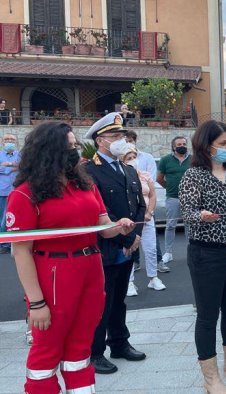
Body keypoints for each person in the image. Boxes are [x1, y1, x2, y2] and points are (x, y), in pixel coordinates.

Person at [7, 122, 135, 394]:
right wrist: (37, 302)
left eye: (75, 145)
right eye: (69, 146)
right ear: (49, 150)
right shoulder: (25, 193)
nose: (75, 151)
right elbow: (21, 251)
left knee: (81, 345)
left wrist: (119, 225)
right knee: (47, 349)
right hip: (54, 273)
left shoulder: (85, 184)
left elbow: (103, 224)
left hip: (91, 267)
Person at [179, 120, 226, 392]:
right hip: (206, 253)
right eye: (222, 144)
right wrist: (200, 215)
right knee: (208, 314)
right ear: (206, 145)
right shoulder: (194, 176)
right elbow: (186, 212)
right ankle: (210, 376)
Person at [83, 113, 147, 375]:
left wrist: (134, 237)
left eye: (123, 136)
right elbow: (98, 210)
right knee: (102, 301)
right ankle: (95, 351)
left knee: (119, 299)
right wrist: (124, 237)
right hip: (106, 246)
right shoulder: (88, 171)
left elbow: (139, 205)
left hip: (128, 245)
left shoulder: (129, 170)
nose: (122, 141)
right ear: (100, 140)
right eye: (115, 137)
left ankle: (119, 343)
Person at [121, 147, 166, 293]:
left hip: (147, 219)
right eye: (129, 158)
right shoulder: (121, 177)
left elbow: (152, 195)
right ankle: (129, 282)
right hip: (130, 222)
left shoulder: (145, 175)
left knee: (151, 248)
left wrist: (150, 212)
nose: (134, 160)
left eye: (135, 157)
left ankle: (153, 278)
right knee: (130, 249)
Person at [157, 136, 191, 270]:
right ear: (173, 147)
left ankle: (191, 251)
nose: (182, 145)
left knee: (190, 225)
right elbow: (159, 178)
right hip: (172, 197)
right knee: (170, 225)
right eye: (179, 144)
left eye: (184, 143)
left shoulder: (193, 159)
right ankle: (168, 253)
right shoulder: (165, 160)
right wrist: (170, 187)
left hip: (190, 199)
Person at [0, 133, 20, 253]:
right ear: (2, 142)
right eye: (7, 139)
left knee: (7, 219)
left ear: (16, 142)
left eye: (12, 139)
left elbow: (23, 166)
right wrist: (11, 168)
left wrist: (8, 165)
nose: (9, 141)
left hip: (15, 192)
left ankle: (6, 244)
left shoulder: (19, 155)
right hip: (1, 191)